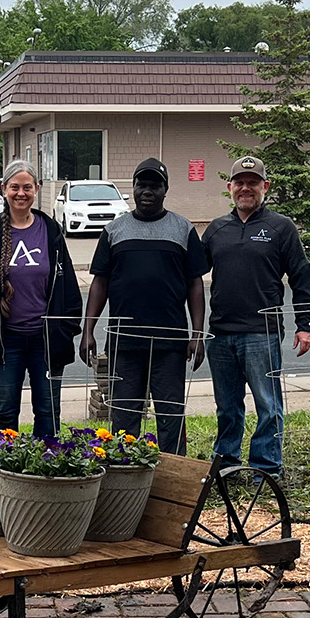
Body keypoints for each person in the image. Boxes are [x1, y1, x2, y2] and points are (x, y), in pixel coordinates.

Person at [78, 157, 207, 456]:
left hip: (170, 344)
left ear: (166, 190)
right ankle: (125, 482)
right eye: (141, 185)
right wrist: (88, 330)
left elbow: (195, 284)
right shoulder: (114, 231)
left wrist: (197, 334)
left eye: (154, 185)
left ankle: (172, 480)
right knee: (124, 419)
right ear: (132, 189)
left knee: (170, 416)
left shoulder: (183, 229)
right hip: (125, 345)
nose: (147, 191)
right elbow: (100, 283)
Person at [202, 155, 310, 476]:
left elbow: (301, 276)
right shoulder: (217, 229)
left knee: (268, 405)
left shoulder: (281, 227)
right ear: (230, 187)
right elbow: (191, 272)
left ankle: (266, 468)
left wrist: (303, 325)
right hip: (220, 335)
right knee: (227, 408)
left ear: (265, 186)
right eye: (240, 182)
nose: (246, 188)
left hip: (261, 334)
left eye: (253, 183)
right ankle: (226, 463)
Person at [0, 158, 82, 438]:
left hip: (46, 340)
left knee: (48, 410)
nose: (21, 193)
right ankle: (7, 470)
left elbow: (67, 285)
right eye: (15, 187)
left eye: (27, 187)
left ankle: (46, 470)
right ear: (4, 189)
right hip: (6, 341)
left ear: (37, 189)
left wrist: (66, 328)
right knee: (5, 410)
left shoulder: (51, 230)